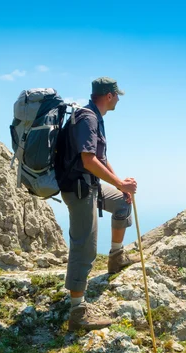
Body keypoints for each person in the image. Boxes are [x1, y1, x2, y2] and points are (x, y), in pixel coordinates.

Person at [59, 77, 139, 331]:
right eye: (117, 95)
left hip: (90, 185)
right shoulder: (88, 118)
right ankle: (77, 312)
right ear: (109, 95)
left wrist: (119, 185)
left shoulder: (95, 116)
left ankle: (116, 258)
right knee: (85, 246)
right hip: (80, 189)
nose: (118, 100)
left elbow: (101, 159)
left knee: (122, 203)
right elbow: (88, 160)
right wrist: (120, 183)